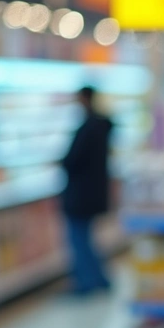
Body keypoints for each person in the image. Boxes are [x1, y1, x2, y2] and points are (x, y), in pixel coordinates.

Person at [61, 86, 114, 295]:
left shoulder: (88, 128)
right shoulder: (102, 126)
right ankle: (98, 279)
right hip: (94, 192)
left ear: (84, 99)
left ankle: (86, 282)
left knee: (79, 239)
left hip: (81, 194)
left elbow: (73, 160)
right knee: (87, 239)